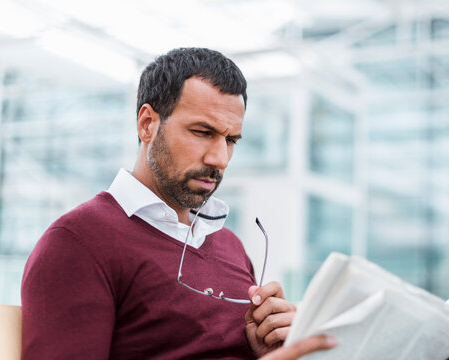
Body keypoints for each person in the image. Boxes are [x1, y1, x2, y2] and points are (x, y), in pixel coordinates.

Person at [21, 47, 335, 359]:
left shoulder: (230, 245)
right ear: (147, 124)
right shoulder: (78, 242)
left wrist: (262, 350)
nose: (220, 159)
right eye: (202, 132)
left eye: (230, 140)